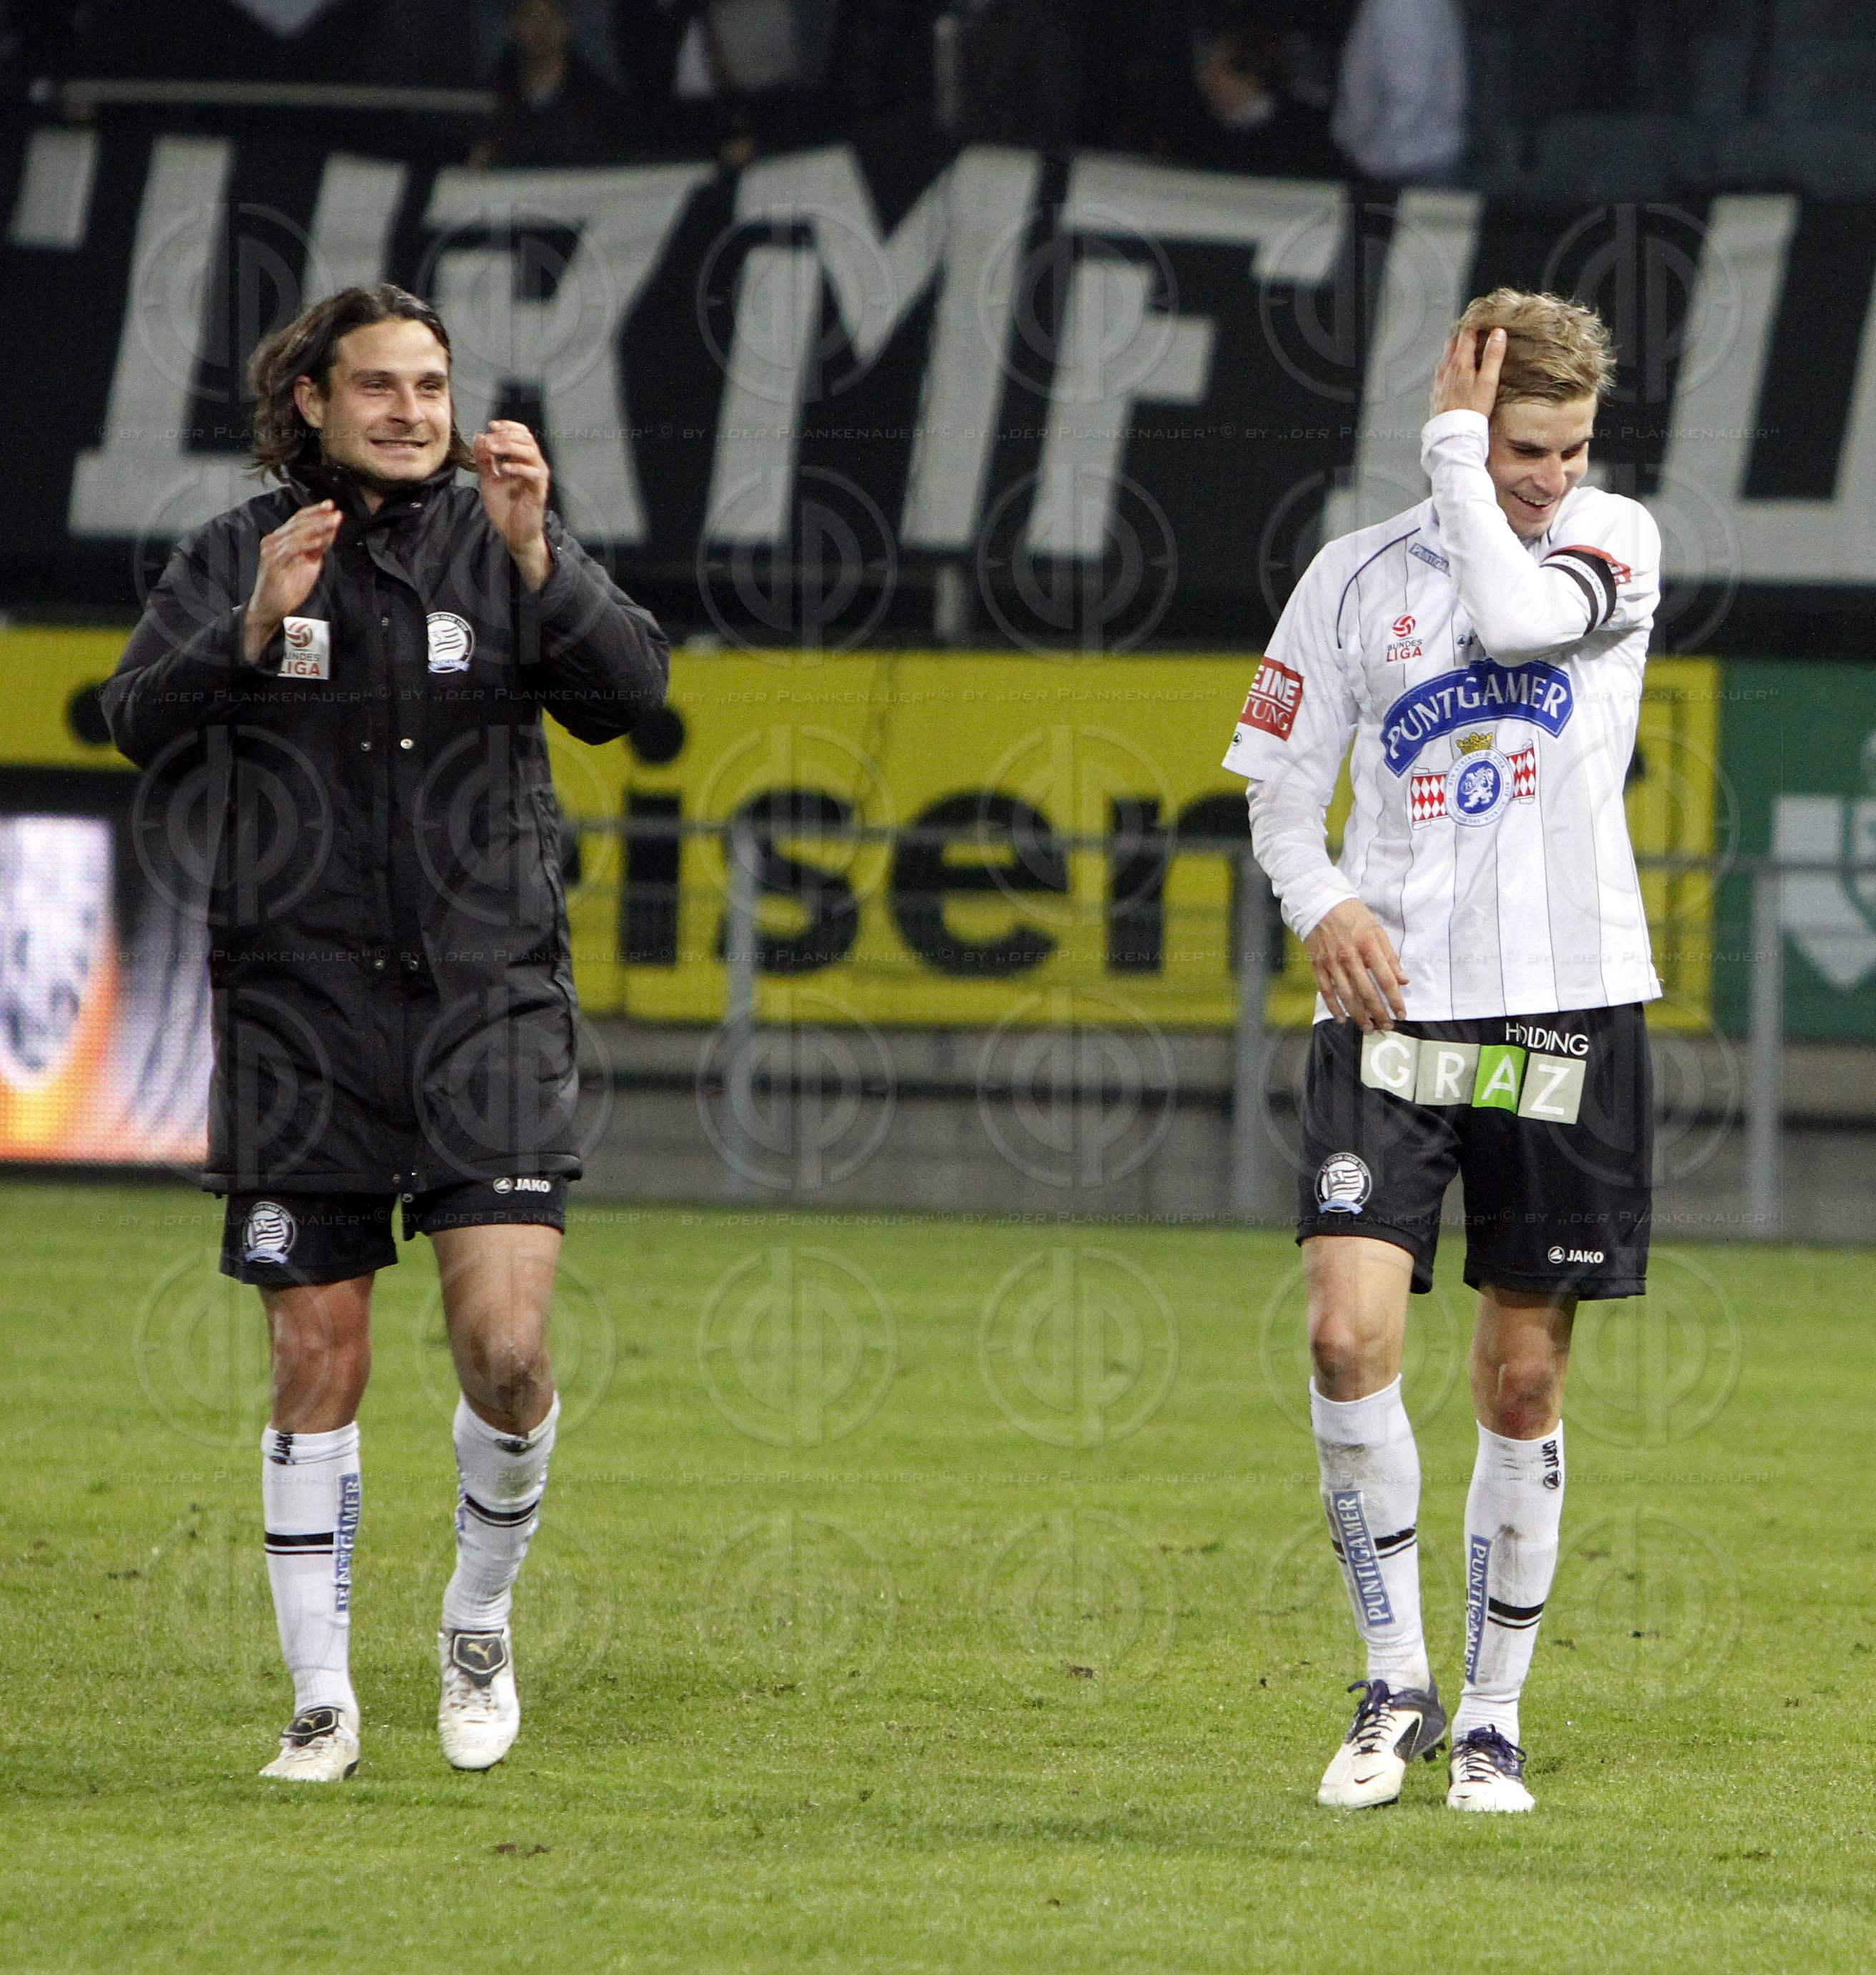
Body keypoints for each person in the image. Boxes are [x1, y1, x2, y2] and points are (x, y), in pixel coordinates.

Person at [101, 284, 670, 1781]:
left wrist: (546, 553)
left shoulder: (502, 543)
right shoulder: (239, 550)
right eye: (380, 386)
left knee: (505, 1348)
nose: (412, 409)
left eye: (431, 383)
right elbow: (134, 718)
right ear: (313, 401)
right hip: (303, 1013)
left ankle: (476, 1620)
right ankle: (322, 1700)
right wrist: (250, 628)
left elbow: (633, 696)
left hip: (487, 1009)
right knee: (317, 1353)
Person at [1222, 289, 1658, 1813]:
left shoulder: (1615, 540)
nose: (1554, 472)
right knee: (1346, 1336)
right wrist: (1324, 898)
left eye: (1572, 444)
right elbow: (1279, 785)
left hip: (1562, 1007)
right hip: (1396, 1017)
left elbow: (1526, 616)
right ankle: (1390, 1677)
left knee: (1522, 1376)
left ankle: (1492, 1714)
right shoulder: (1349, 583)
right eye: (1527, 446)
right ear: (1472, 429)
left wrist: (1469, 470)